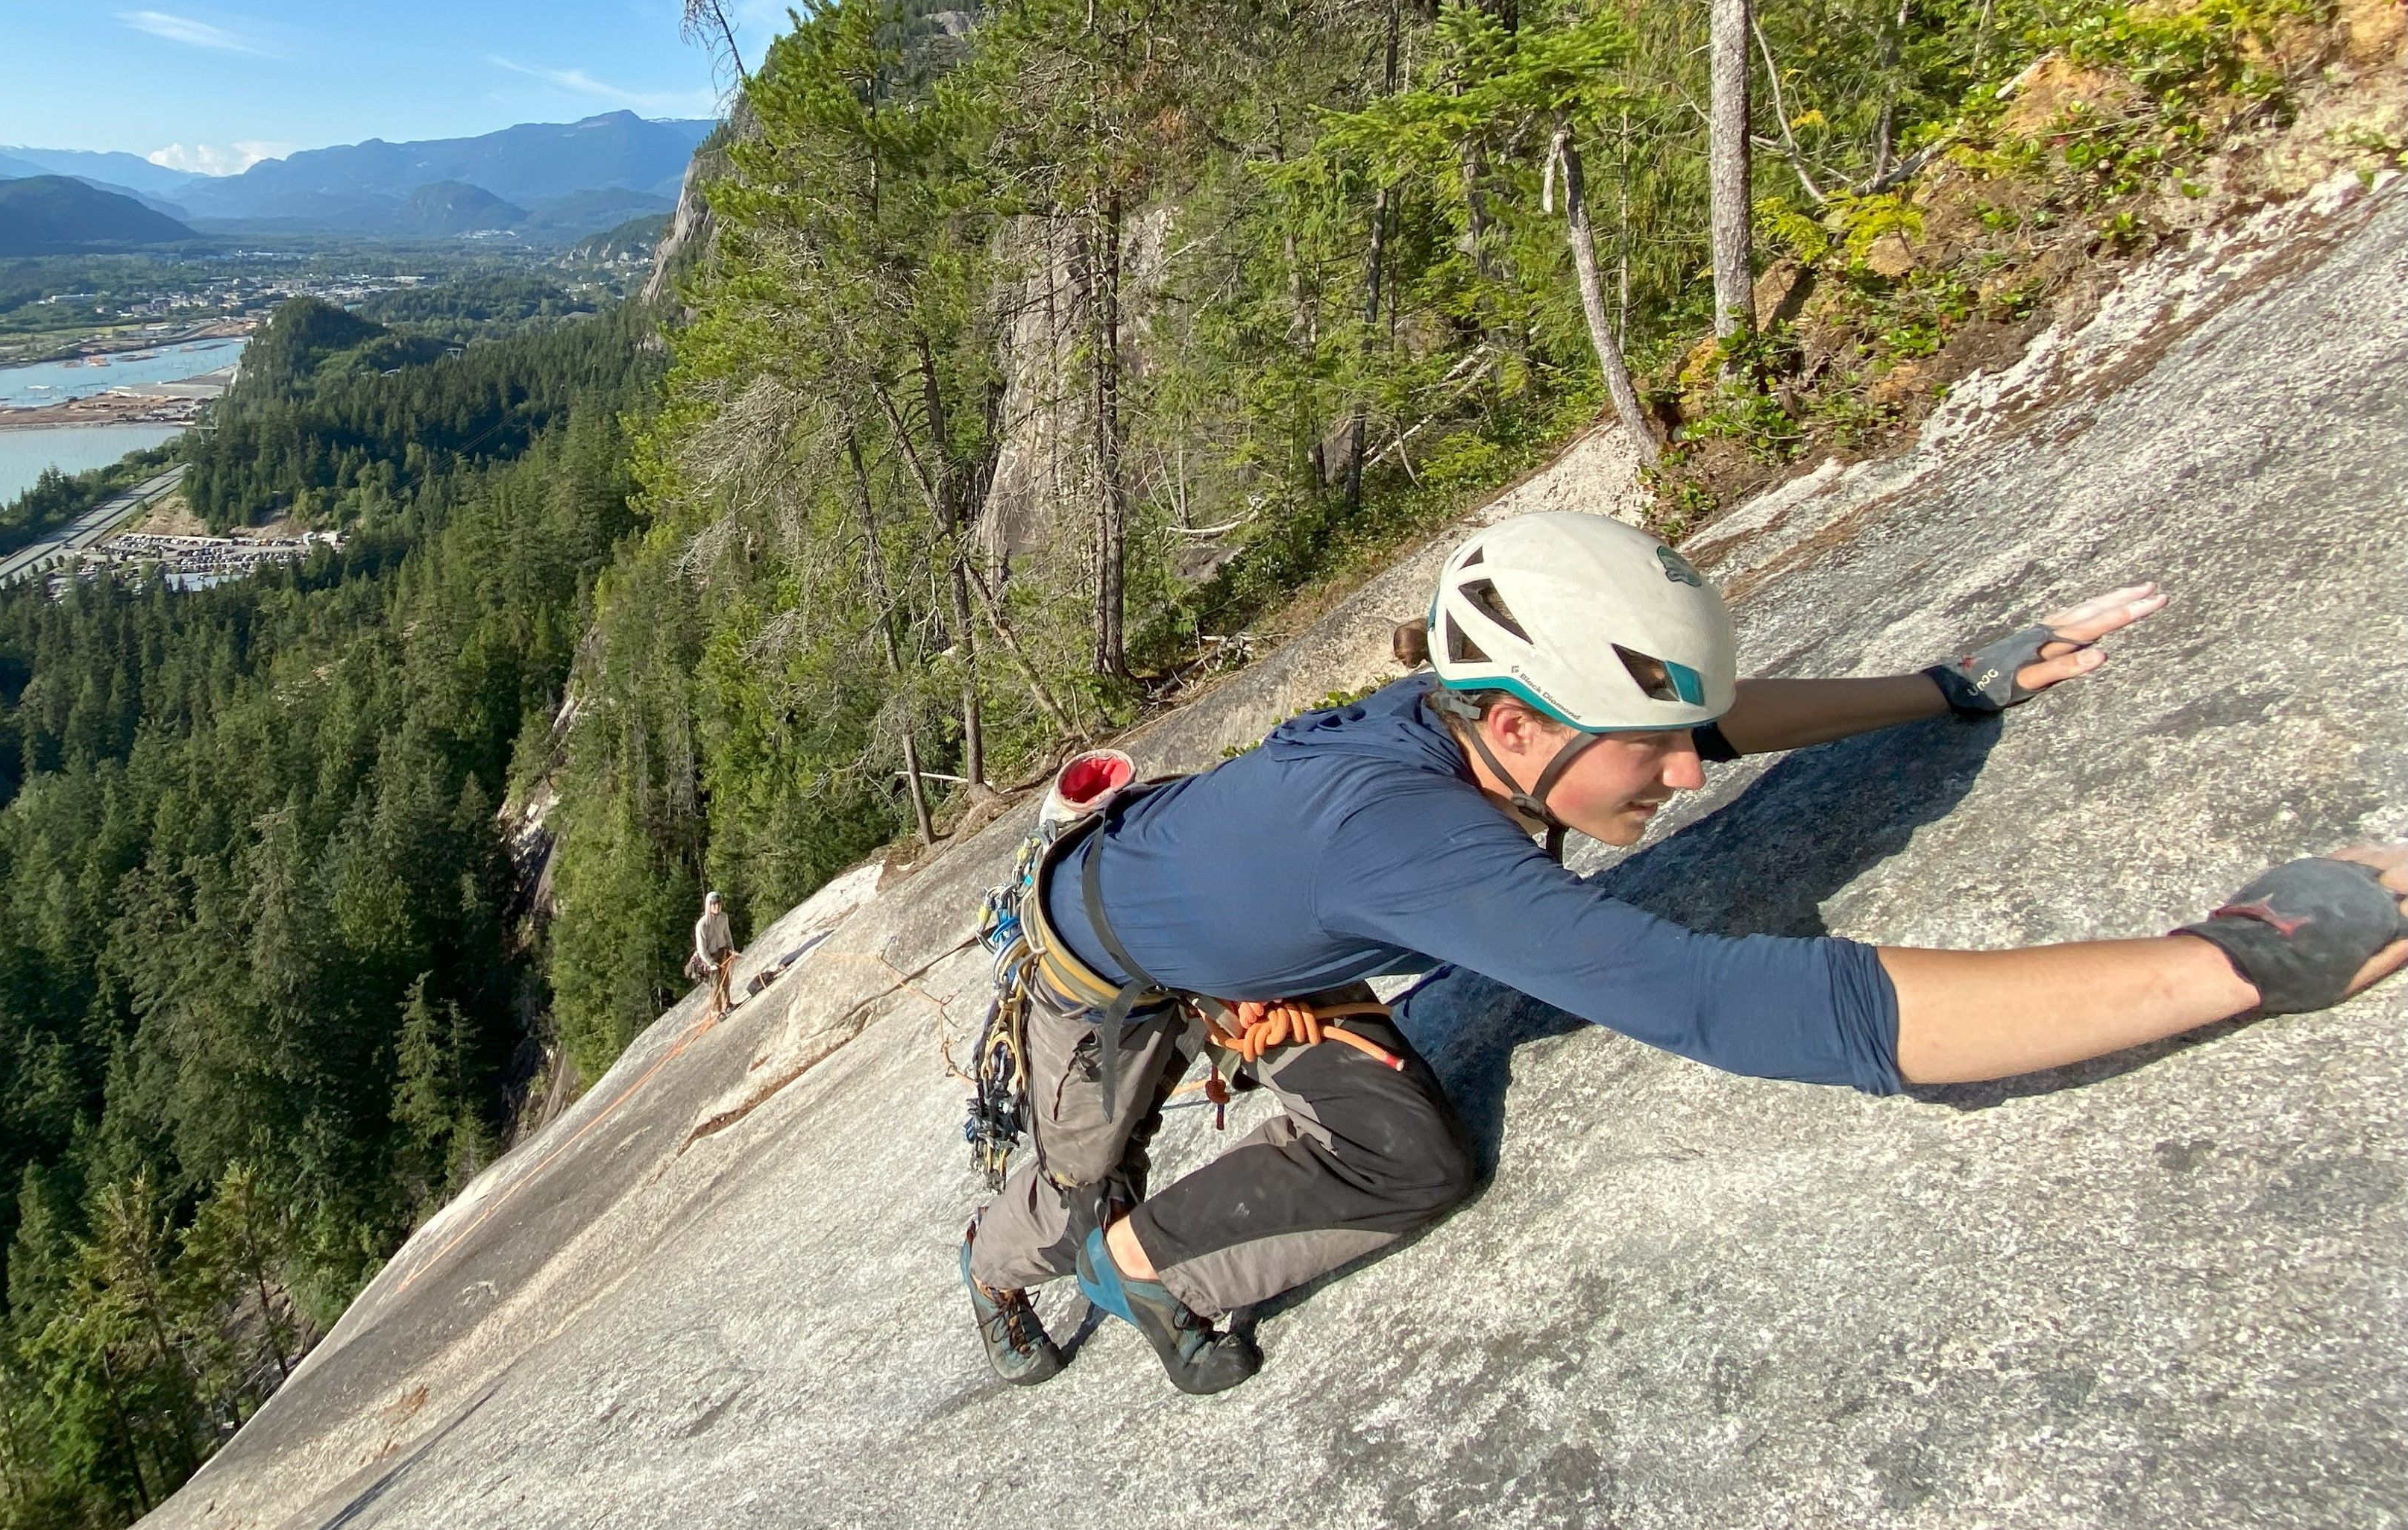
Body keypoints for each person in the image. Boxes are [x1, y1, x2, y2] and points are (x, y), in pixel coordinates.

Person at [959, 511, 2407, 1396]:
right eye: (1644, 750)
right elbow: (1732, 1002)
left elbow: (1712, 721)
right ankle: (1025, 1265)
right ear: (1516, 730)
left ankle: (1154, 1266)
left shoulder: (1485, 726)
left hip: (1253, 937)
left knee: (1413, 1157)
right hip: (1100, 969)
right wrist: (2228, 963)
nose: (1685, 776)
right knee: (1080, 1168)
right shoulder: (1411, 838)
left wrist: (1951, 687)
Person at [688, 888, 738, 1018]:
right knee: (715, 984)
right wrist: (710, 963)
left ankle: (727, 1005)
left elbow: (727, 935)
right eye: (714, 904)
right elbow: (701, 948)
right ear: (708, 906)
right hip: (709, 957)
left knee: (725, 979)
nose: (717, 906)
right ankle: (716, 1011)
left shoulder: (723, 917)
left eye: (719, 903)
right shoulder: (702, 924)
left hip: (722, 952)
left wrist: (731, 949)